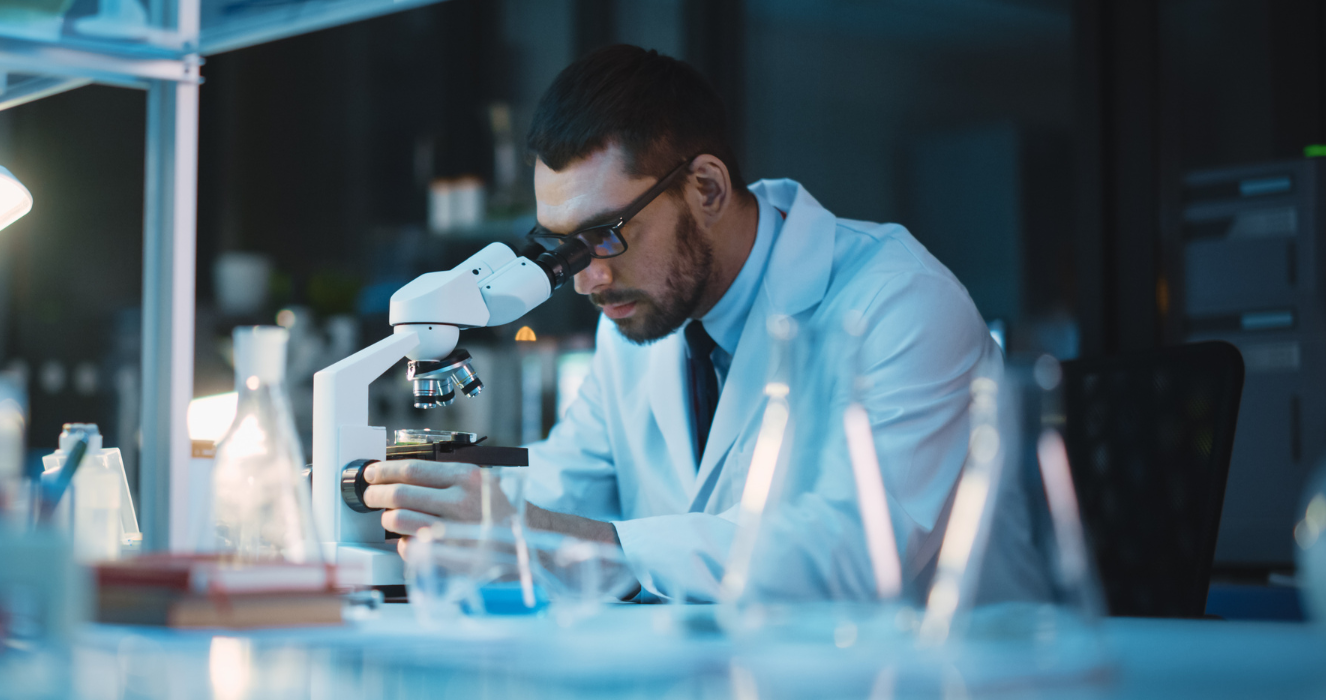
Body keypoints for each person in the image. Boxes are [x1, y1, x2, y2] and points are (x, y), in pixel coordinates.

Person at [360, 44, 1012, 602]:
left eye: (603, 234)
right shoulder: (635, 318)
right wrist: (433, 502)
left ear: (706, 188)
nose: (586, 279)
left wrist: (547, 535)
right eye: (560, 246)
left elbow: (852, 553)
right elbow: (563, 488)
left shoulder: (900, 304)